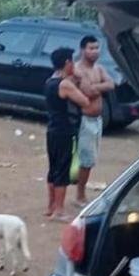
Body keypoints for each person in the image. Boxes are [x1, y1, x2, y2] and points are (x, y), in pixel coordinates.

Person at [45, 47, 89, 220]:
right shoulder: (64, 84)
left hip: (52, 129)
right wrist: (79, 78)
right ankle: (59, 211)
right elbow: (84, 101)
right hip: (65, 131)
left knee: (53, 169)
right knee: (62, 170)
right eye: (71, 61)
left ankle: (51, 206)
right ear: (67, 63)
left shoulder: (50, 81)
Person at [73, 34, 115, 206]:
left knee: (91, 160)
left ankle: (81, 194)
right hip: (84, 120)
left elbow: (111, 84)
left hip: (97, 119)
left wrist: (96, 87)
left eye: (97, 48)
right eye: (91, 48)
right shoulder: (78, 70)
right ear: (83, 50)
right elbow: (87, 92)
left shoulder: (98, 69)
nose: (95, 51)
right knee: (86, 159)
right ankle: (79, 195)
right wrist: (99, 88)